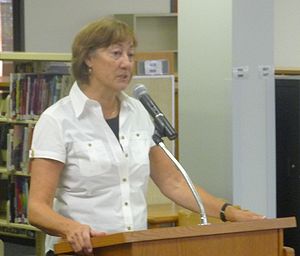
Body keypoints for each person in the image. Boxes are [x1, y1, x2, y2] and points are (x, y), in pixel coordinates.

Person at [28, 17, 265, 256]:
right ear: (88, 58)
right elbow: (37, 209)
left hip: (133, 248)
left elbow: (174, 183)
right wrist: (70, 228)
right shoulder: (57, 120)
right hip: (80, 251)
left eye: (130, 55)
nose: (126, 63)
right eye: (116, 53)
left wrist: (228, 211)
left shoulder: (138, 113)